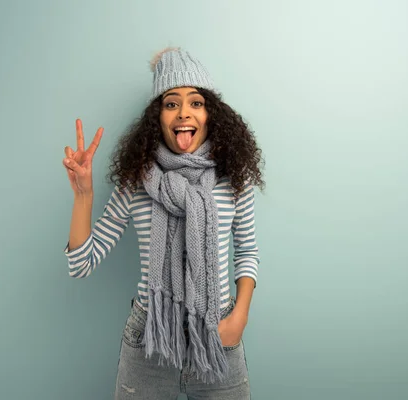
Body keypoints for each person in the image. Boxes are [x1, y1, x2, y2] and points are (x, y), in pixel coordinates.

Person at [62, 47, 264, 399]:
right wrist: (84, 196)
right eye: (171, 103)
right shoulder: (136, 179)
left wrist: (240, 317)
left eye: (196, 103)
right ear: (158, 116)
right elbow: (81, 264)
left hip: (218, 333)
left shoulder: (232, 178)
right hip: (150, 339)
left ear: (211, 114)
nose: (184, 112)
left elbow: (247, 250)